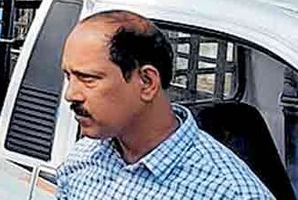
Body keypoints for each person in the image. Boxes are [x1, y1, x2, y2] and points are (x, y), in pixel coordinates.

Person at [57, 10, 273, 199]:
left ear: (147, 82)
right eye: (69, 76)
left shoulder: (228, 192)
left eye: (88, 79)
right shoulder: (84, 158)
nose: (71, 94)